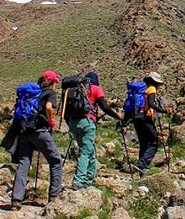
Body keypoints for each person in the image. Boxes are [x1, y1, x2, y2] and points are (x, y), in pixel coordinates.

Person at [11, 71, 63, 210]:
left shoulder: (31, 92)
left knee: (24, 163)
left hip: (24, 132)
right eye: (55, 83)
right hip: (40, 131)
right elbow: (48, 107)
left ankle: (16, 199)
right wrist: (51, 121)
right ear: (51, 82)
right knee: (56, 160)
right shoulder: (49, 93)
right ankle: (54, 196)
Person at [68, 71, 123, 189]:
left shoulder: (75, 89)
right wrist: (117, 116)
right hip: (87, 122)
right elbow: (105, 107)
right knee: (85, 151)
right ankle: (78, 181)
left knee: (90, 149)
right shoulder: (95, 89)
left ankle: (90, 178)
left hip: (73, 123)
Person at [130, 71, 168, 173]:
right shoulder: (152, 89)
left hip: (136, 117)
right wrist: (163, 110)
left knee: (143, 143)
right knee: (154, 143)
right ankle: (141, 164)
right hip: (145, 117)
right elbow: (151, 104)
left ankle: (140, 168)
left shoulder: (143, 89)